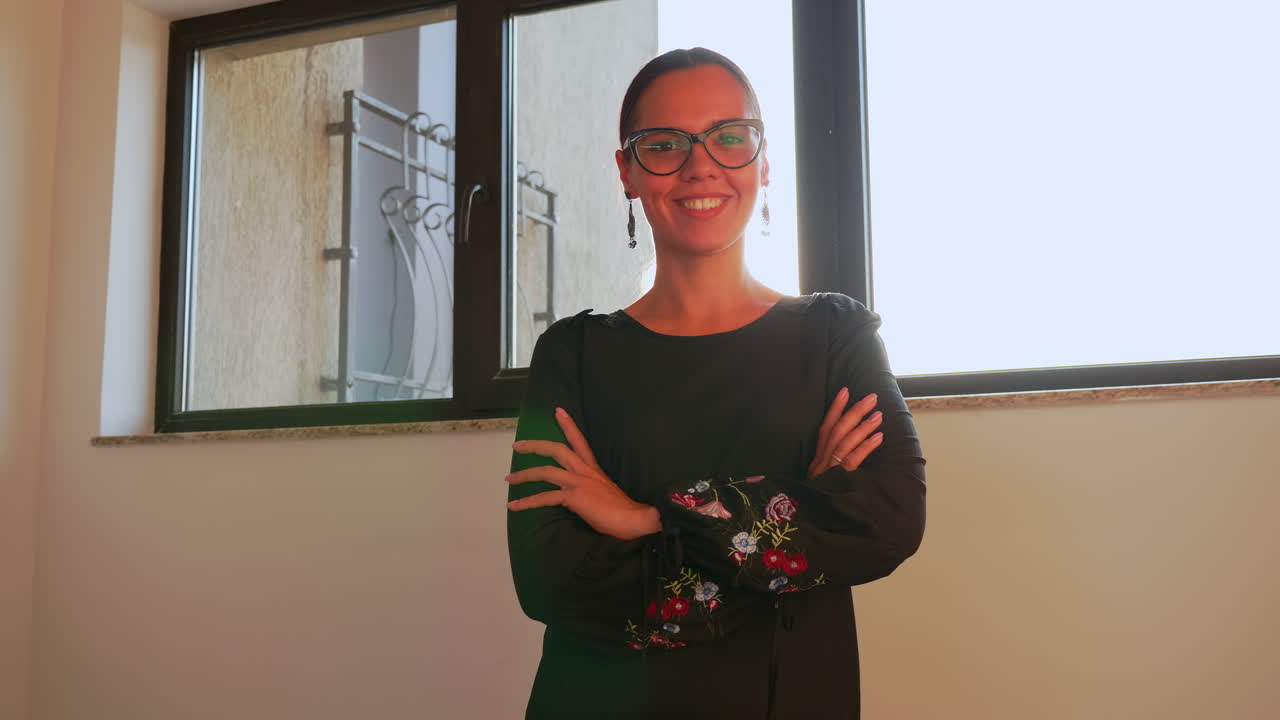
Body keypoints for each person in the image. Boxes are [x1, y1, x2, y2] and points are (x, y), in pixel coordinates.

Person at [504, 47, 926, 720]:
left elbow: (888, 522)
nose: (700, 165)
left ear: (763, 161)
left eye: (729, 137)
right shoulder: (572, 353)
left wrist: (647, 519)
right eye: (664, 144)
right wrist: (792, 521)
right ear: (627, 172)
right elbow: (550, 581)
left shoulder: (834, 335)